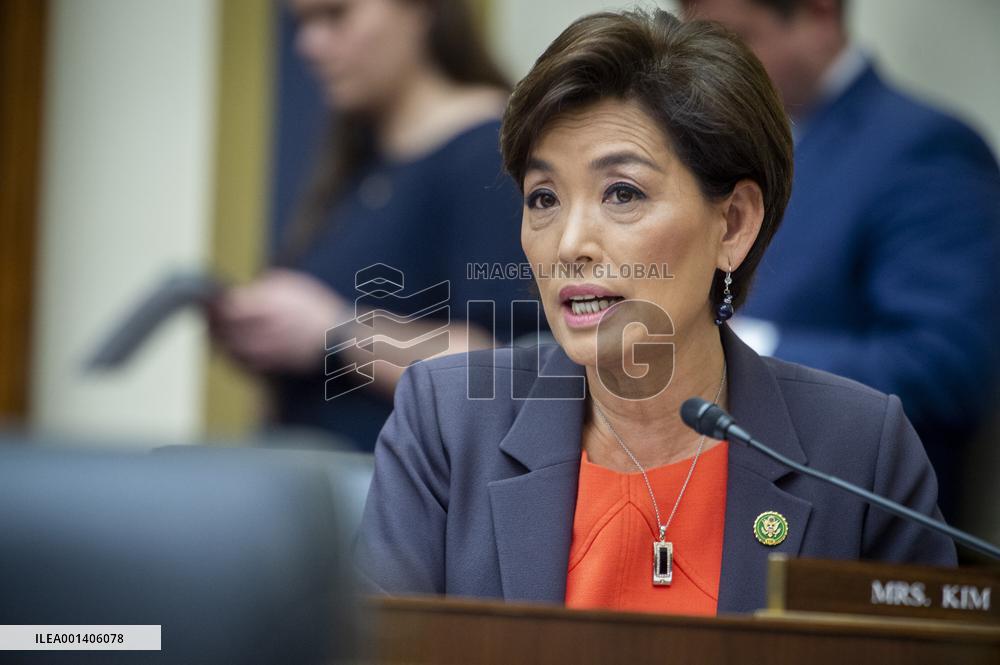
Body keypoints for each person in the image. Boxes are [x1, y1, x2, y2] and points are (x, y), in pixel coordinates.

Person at [355, 9, 956, 616]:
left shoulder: (860, 453)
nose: (568, 245)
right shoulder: (448, 424)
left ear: (734, 224)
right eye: (544, 199)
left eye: (622, 193)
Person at [682, 0, 1000, 518]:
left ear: (820, 16)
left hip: (858, 520)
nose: (710, 63)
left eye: (735, 35)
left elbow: (946, 368)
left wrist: (742, 345)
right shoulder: (725, 146)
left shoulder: (925, 147)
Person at [209, 0, 542, 451]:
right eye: (303, 24)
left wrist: (335, 331)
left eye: (335, 15)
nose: (308, 45)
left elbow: (509, 372)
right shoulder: (357, 165)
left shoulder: (487, 155)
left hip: (401, 499)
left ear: (421, 11)